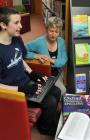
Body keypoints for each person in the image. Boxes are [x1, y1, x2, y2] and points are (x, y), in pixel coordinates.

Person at [0, 7, 61, 136]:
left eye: (20, 22)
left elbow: (19, 58)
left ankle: (45, 120)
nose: (21, 26)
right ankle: (44, 129)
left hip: (25, 82)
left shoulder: (16, 39)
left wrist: (32, 72)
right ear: (3, 25)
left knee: (56, 90)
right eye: (16, 23)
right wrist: (21, 89)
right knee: (50, 102)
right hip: (13, 93)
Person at [25, 16, 67, 96]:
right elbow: (22, 50)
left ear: (60, 32)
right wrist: (35, 55)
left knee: (62, 90)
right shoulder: (39, 42)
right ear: (46, 29)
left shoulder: (61, 42)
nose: (53, 34)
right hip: (42, 73)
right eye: (51, 31)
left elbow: (64, 60)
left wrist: (51, 60)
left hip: (56, 73)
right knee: (47, 93)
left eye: (56, 32)